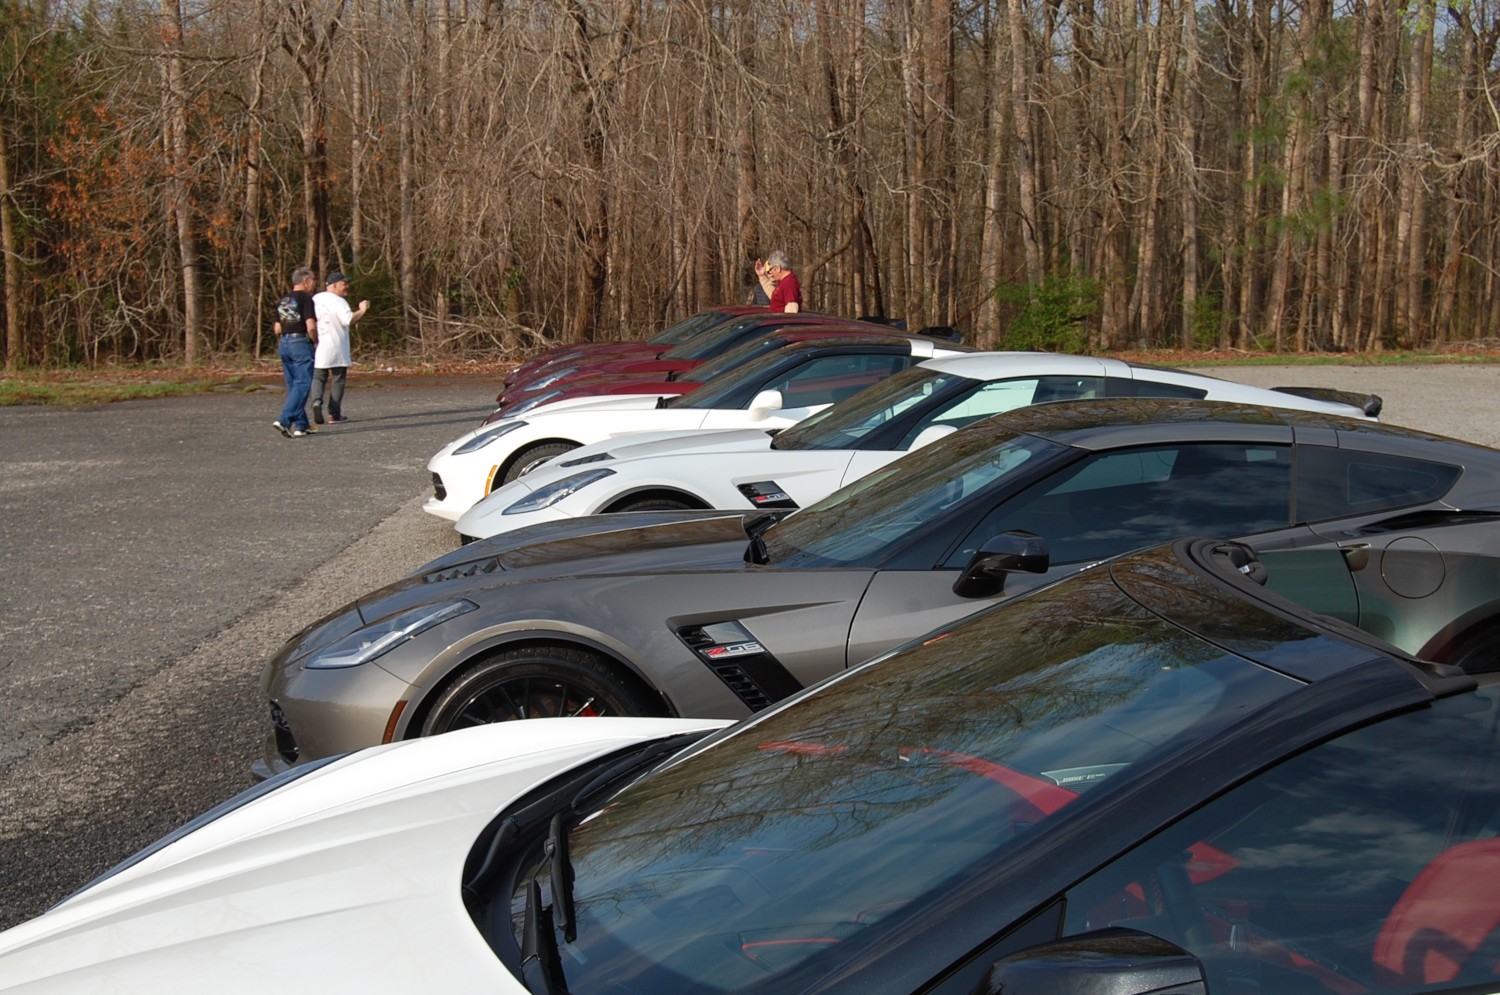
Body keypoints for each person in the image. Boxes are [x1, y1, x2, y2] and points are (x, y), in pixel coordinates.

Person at [311, 271, 370, 424]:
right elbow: (349, 320)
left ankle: (316, 401)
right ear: (335, 285)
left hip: (320, 345)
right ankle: (334, 414)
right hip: (337, 346)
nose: (347, 287)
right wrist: (362, 310)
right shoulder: (339, 301)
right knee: (338, 380)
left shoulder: (316, 299)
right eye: (344, 284)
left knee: (318, 377)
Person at [272, 266, 318, 438]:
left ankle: (301, 425)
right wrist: (315, 340)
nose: (314, 284)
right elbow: (310, 326)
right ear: (306, 281)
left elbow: (277, 328)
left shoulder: (284, 300)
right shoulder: (306, 299)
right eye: (313, 280)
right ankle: (284, 420)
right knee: (303, 382)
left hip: (284, 343)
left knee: (293, 385)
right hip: (300, 342)